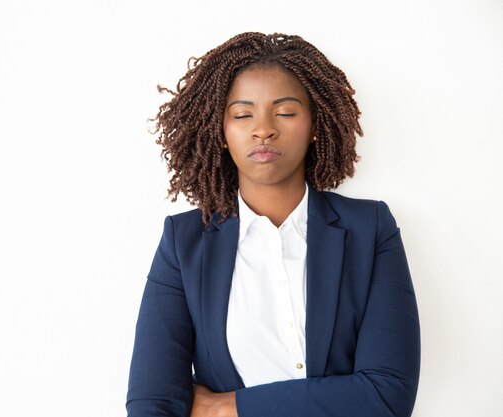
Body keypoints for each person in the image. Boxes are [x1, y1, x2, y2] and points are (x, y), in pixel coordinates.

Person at [126, 32, 420, 417]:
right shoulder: (184, 243)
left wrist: (225, 408)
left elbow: (387, 396)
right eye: (243, 114)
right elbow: (152, 402)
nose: (263, 129)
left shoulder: (370, 230)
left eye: (284, 112)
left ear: (315, 124)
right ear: (221, 132)